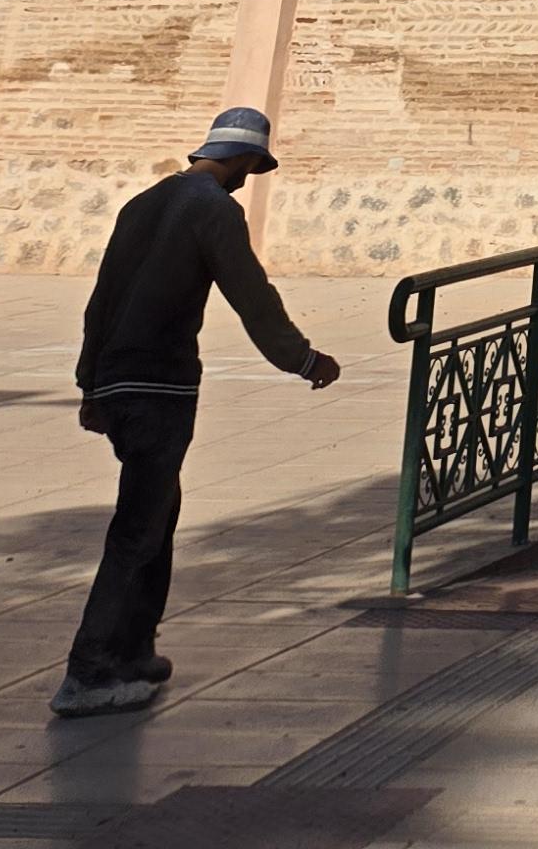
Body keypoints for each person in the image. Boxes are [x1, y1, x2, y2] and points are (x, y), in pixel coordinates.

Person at [51, 105, 341, 719]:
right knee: (138, 528)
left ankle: (134, 651)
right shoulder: (215, 210)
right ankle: (89, 671)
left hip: (117, 383)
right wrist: (303, 358)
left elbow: (100, 302)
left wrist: (90, 386)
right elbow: (251, 295)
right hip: (160, 387)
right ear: (246, 160)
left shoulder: (142, 204)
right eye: (252, 170)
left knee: (158, 512)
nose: (247, 181)